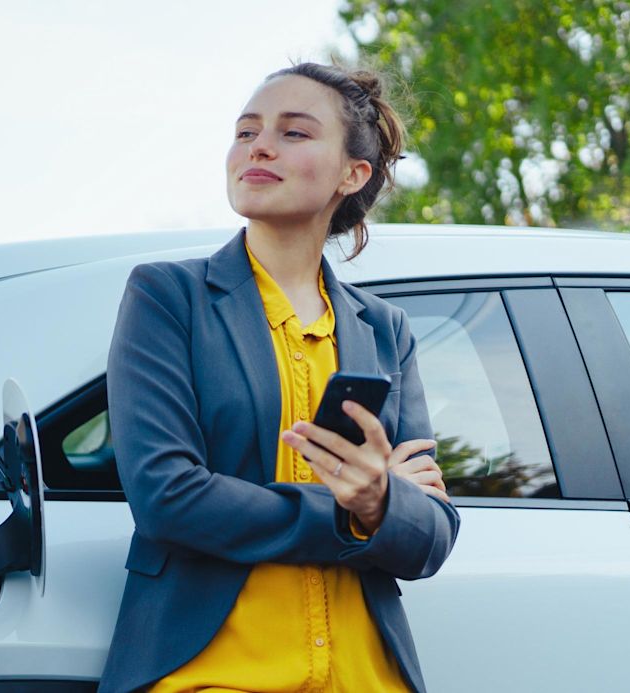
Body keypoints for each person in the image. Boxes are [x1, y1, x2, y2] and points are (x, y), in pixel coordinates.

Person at [100, 61, 460, 693]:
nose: (258, 146)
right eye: (245, 132)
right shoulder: (168, 297)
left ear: (354, 173)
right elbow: (168, 497)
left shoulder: (385, 330)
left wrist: (386, 503)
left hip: (368, 678)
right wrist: (359, 511)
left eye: (294, 133)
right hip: (212, 677)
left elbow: (430, 537)